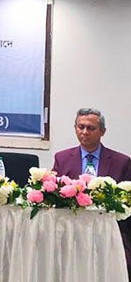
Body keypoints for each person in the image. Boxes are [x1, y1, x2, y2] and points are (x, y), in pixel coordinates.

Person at [52, 108, 131, 278]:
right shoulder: (62, 158)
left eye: (90, 128)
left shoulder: (121, 162)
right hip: (71, 230)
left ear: (103, 131)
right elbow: (53, 195)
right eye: (80, 127)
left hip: (108, 232)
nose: (84, 132)